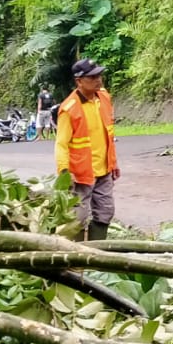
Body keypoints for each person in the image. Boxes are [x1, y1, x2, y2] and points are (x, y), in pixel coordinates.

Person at [55, 59, 119, 241]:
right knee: (77, 218)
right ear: (79, 81)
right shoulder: (69, 109)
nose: (98, 79)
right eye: (92, 77)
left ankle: (96, 256)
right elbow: (61, 144)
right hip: (81, 173)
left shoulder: (104, 98)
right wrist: (64, 172)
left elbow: (108, 134)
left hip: (104, 169)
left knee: (105, 212)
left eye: (99, 75)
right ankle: (71, 257)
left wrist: (113, 162)